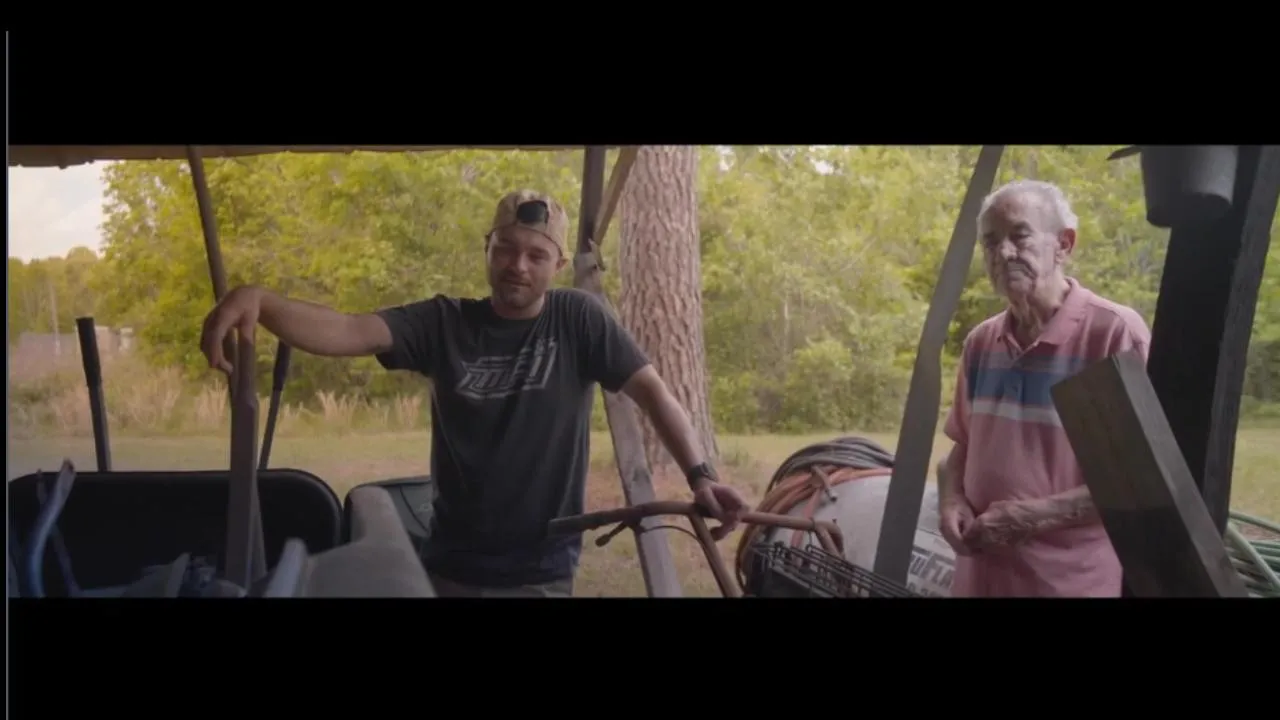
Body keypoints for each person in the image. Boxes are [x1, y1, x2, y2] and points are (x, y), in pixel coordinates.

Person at [199, 189, 749, 598]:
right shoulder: (444, 323)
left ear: (558, 265)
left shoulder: (578, 319)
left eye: (536, 255)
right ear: (487, 248)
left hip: (541, 571)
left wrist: (701, 477)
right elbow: (348, 330)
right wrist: (261, 301)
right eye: (505, 249)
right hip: (450, 566)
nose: (517, 266)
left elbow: (652, 391)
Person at [937, 179, 1152, 598]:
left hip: (1068, 583)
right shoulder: (981, 343)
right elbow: (960, 449)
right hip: (979, 580)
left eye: (1019, 236)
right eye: (990, 242)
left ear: (1064, 245)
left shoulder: (1112, 335)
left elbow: (1140, 481)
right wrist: (951, 500)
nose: (1003, 253)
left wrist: (1033, 517)